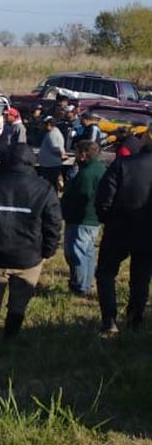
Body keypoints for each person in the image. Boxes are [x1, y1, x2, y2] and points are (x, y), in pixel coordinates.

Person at [0, 143, 62, 342]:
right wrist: (47, 252)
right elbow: (53, 224)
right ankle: (10, 340)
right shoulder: (44, 189)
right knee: (20, 302)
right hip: (30, 255)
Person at [93, 131, 152, 335]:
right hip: (148, 231)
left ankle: (109, 319)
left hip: (119, 226)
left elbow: (104, 198)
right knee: (141, 276)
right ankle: (135, 318)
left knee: (106, 273)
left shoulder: (124, 164)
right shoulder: (124, 164)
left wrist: (106, 219)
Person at [60, 140, 105, 297]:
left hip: (81, 219)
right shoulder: (98, 168)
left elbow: (81, 197)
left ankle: (81, 286)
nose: (76, 156)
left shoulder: (87, 174)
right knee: (88, 252)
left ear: (83, 155)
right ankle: (86, 282)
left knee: (76, 253)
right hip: (92, 220)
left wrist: (67, 210)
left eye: (77, 152)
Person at [37, 119, 69, 191]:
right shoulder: (52, 133)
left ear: (49, 125)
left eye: (44, 125)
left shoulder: (52, 134)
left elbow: (55, 148)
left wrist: (61, 155)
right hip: (49, 163)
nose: (43, 126)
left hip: (50, 165)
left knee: (50, 184)